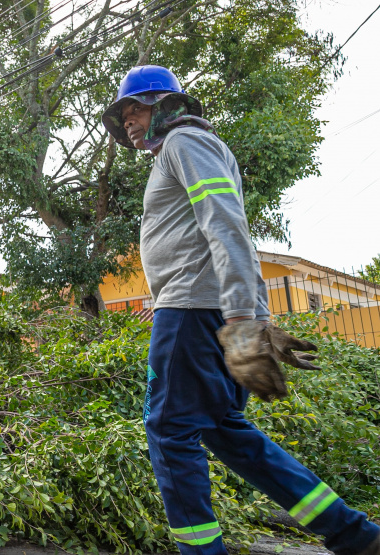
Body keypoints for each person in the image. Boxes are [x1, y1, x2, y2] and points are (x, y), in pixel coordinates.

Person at [101, 65, 380, 555]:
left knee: (169, 430)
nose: (128, 121)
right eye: (124, 114)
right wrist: (253, 312)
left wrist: (241, 317)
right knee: (221, 430)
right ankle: (354, 536)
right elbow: (234, 234)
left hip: (191, 309)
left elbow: (226, 224)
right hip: (204, 307)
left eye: (136, 108)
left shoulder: (186, 144)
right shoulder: (190, 149)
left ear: (167, 105)